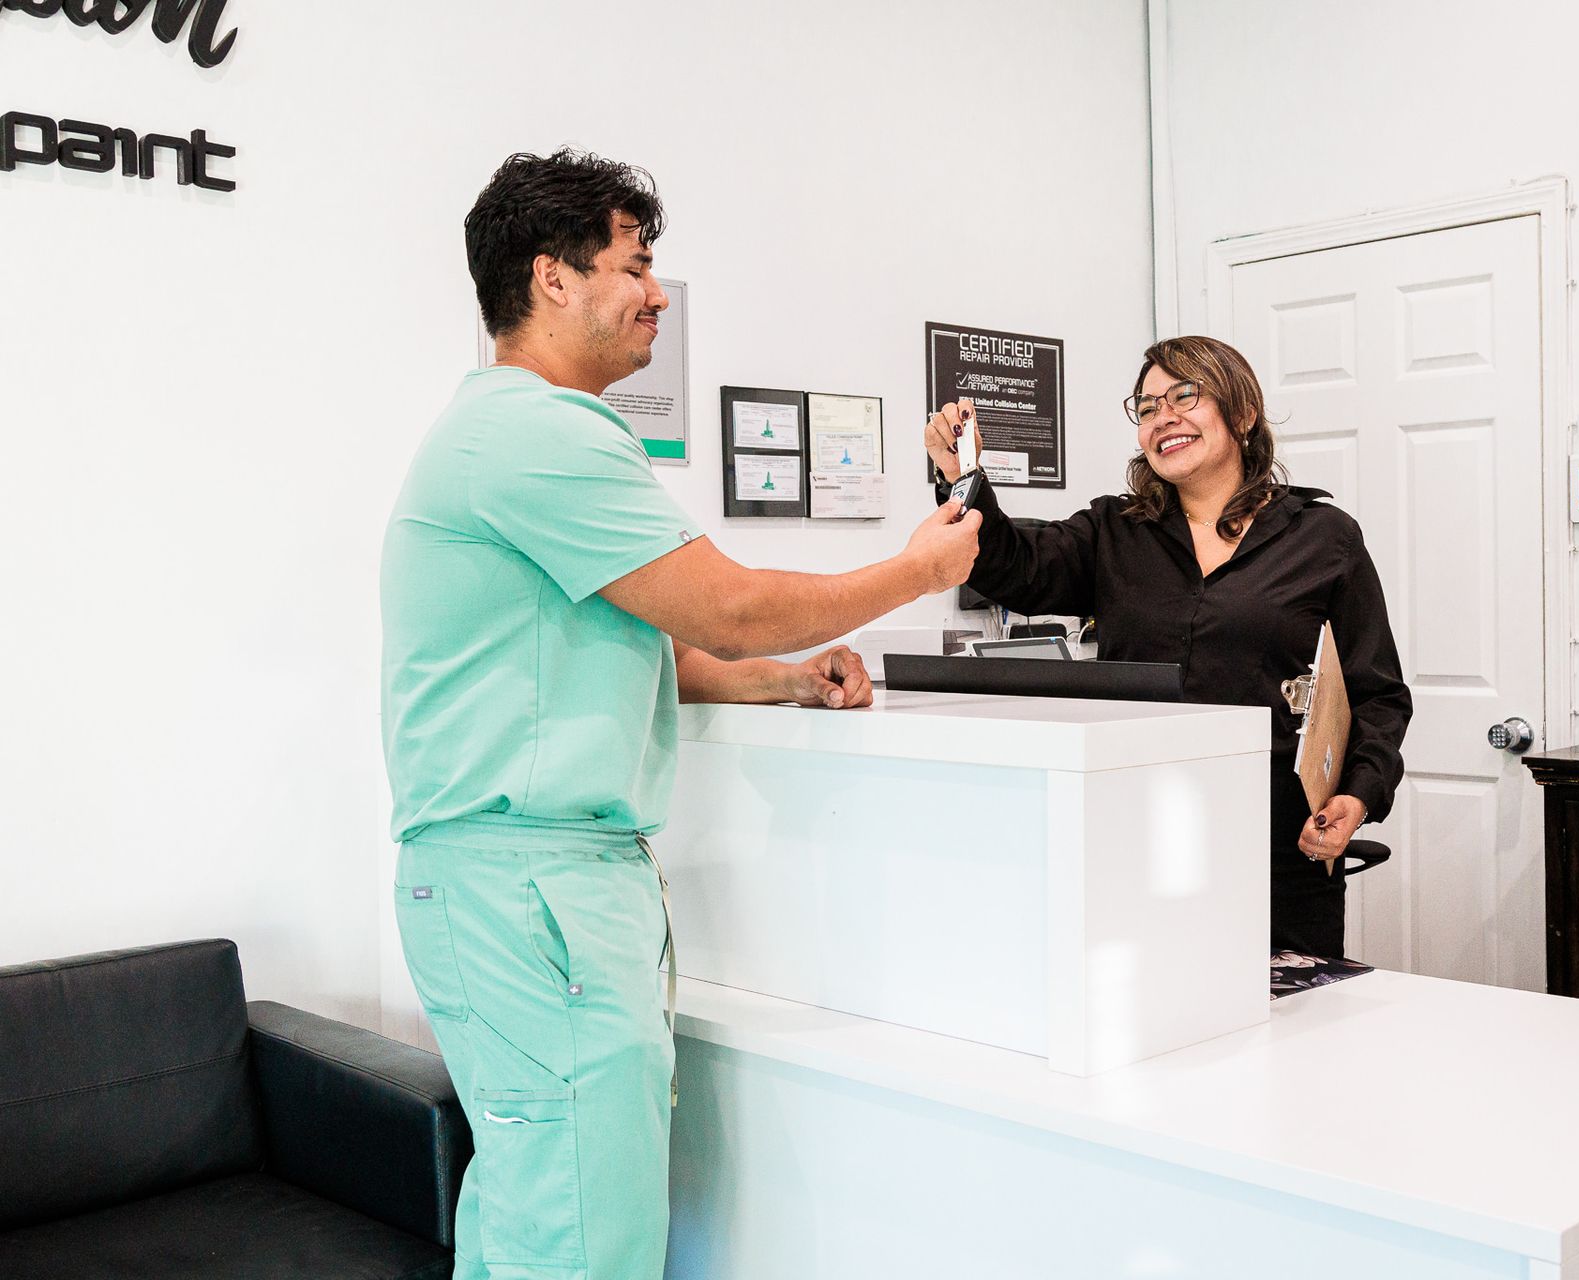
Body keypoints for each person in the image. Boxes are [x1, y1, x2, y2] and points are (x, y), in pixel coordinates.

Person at [381, 149, 980, 1280]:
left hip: (538, 884)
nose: (658, 293)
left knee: (548, 1213)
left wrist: (793, 680)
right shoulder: (532, 433)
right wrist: (914, 568)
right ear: (553, 279)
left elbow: (651, 645)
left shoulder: (504, 432)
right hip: (530, 887)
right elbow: (732, 603)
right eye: (636, 264)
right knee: (578, 1232)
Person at [923, 335, 1410, 961]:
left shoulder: (1324, 538)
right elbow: (1008, 567)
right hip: (1136, 838)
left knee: (1291, 1032)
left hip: (1277, 845)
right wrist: (962, 478)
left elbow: (1378, 693)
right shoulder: (1113, 534)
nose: (1164, 418)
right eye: (1148, 407)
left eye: (1185, 395)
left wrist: (1359, 793)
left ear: (1241, 413)